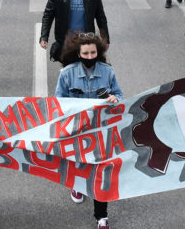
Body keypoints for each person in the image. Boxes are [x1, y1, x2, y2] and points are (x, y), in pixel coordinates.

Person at [55, 34, 122, 229]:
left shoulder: (108, 72)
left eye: (93, 52)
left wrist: (114, 99)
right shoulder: (66, 74)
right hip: (77, 129)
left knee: (100, 170)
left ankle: (101, 216)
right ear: (78, 53)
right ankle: (78, 186)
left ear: (98, 52)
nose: (90, 56)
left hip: (101, 128)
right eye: (86, 53)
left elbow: (119, 94)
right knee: (79, 163)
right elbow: (58, 102)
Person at [40, 0, 109, 62]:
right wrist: (44, 37)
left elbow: (101, 17)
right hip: (66, 42)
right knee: (69, 71)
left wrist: (105, 38)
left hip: (86, 41)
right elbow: (48, 15)